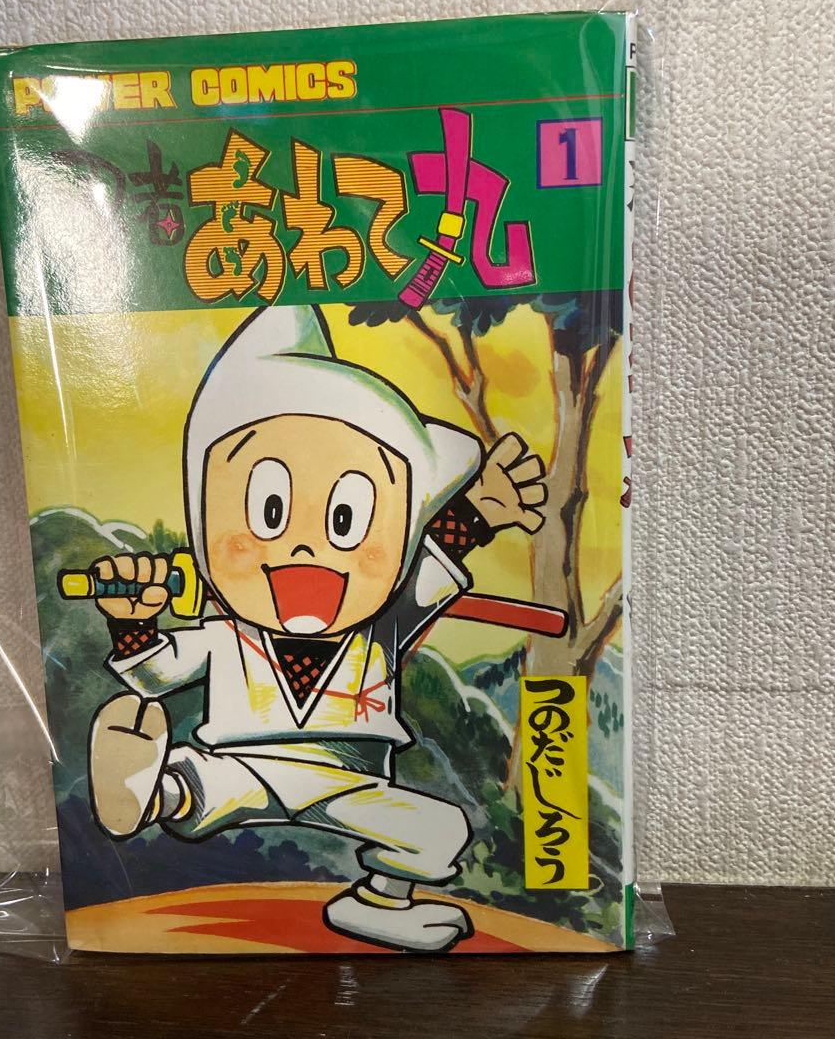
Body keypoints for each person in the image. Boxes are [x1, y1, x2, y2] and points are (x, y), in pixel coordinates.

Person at [87, 304, 547, 951]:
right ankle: (148, 791)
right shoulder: (228, 634)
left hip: (350, 780)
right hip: (247, 763)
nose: (306, 547)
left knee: (440, 829)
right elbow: (155, 674)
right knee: (205, 785)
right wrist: (134, 622)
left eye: (347, 519)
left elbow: (434, 559)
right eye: (269, 509)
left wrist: (478, 513)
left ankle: (378, 903)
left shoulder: (379, 629)